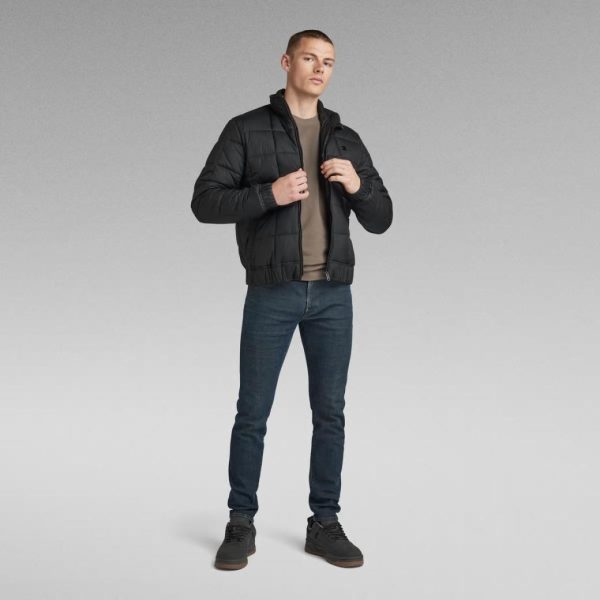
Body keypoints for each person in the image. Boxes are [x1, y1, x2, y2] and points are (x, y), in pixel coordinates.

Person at [191, 29, 393, 569]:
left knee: (330, 413)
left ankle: (324, 523)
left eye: (329, 61)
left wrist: (358, 187)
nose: (320, 68)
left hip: (333, 295)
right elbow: (205, 201)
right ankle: (240, 522)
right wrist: (269, 194)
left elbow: (382, 219)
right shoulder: (246, 129)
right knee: (252, 412)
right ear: (286, 62)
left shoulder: (345, 139)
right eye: (310, 58)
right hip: (272, 292)